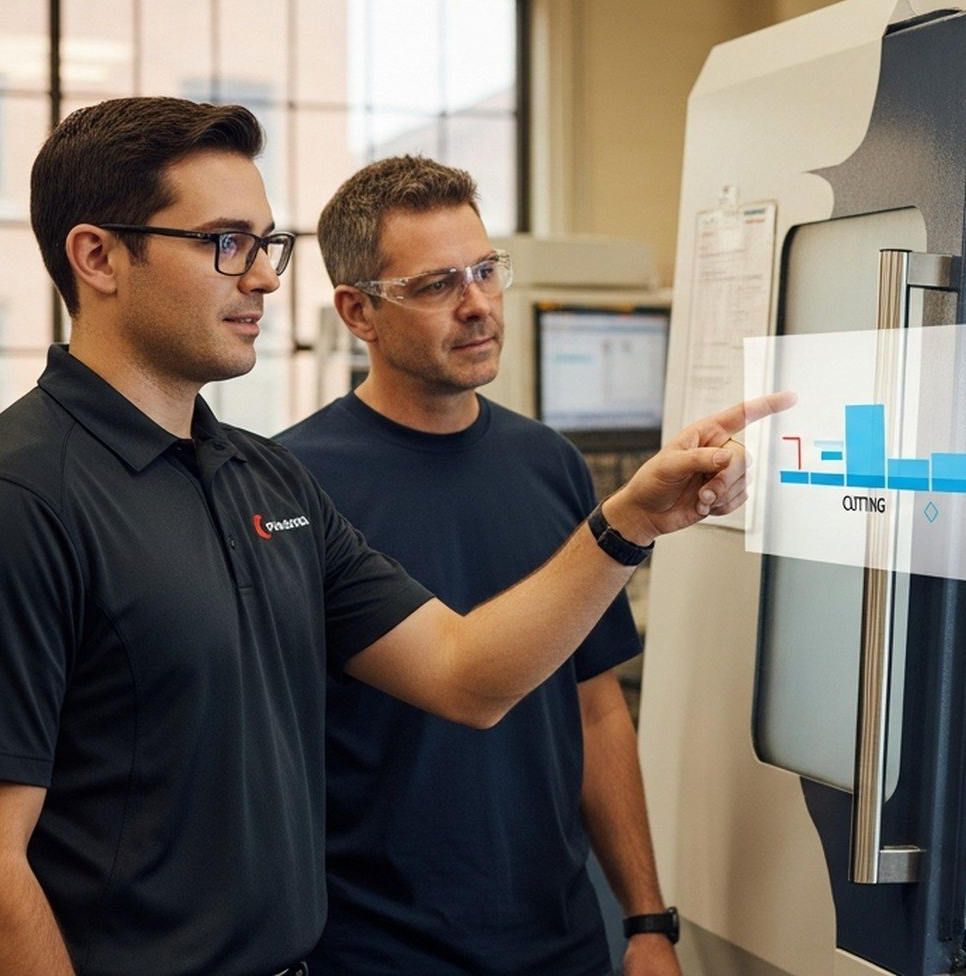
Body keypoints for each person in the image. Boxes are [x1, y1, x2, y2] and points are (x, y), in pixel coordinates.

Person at [0, 98, 786, 976]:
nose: (266, 279)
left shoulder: (264, 480)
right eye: (226, 243)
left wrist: (630, 520)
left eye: (267, 244)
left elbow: (465, 674)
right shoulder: (8, 506)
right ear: (97, 257)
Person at [277, 156, 675, 974]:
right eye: (434, 286)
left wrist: (644, 921)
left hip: (559, 940)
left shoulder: (551, 466)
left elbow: (596, 709)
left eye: (486, 271)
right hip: (376, 951)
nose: (477, 306)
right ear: (358, 312)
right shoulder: (289, 486)